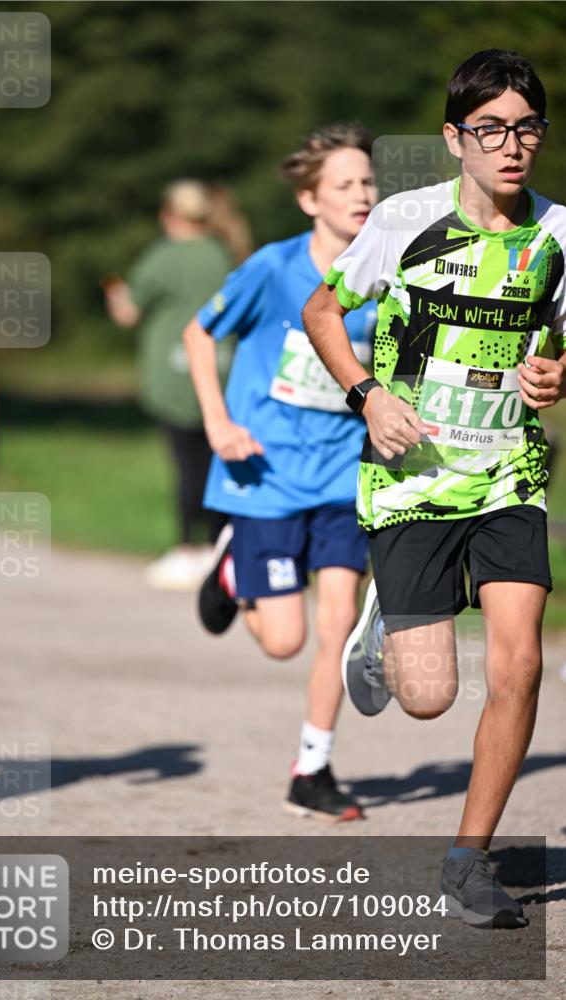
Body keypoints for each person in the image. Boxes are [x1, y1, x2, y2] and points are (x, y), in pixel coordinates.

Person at [303, 50, 565, 925]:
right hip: (411, 480)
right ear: (455, 139)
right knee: (427, 698)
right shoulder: (404, 220)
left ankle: (468, 859)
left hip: (507, 474)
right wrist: (366, 396)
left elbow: (561, 343)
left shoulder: (558, 235)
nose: (511, 144)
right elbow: (321, 312)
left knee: (520, 661)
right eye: (490, 129)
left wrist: (555, 377)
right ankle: (385, 621)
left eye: (525, 126)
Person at [183, 124, 379, 821]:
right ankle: (235, 569)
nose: (361, 194)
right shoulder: (273, 267)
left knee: (337, 627)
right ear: (308, 199)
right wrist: (215, 422)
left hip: (339, 478)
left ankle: (312, 767)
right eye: (344, 185)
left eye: (367, 182)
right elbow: (198, 333)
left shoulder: (383, 278)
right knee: (283, 641)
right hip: (262, 473)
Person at [104, 180, 253, 589]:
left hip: (174, 376)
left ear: (170, 214)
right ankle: (221, 546)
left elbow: (129, 313)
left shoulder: (163, 257)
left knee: (187, 466)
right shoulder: (225, 253)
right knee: (216, 461)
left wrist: (117, 297)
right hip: (223, 371)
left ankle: (189, 549)